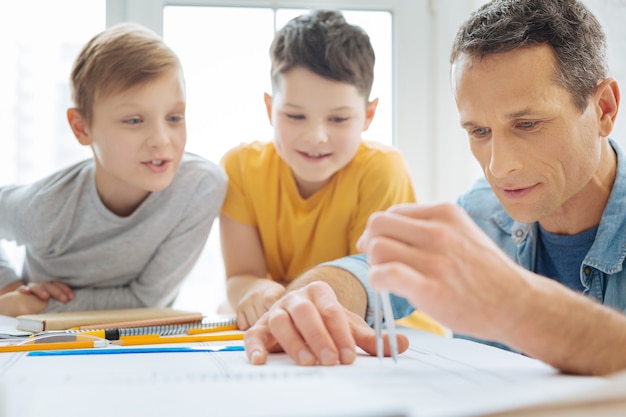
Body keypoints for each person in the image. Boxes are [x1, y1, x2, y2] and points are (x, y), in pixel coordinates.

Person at [243, 0, 626, 376]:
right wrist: (316, 296)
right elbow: (366, 272)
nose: (498, 166)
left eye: (527, 124)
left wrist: (517, 303)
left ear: (604, 109)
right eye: (479, 131)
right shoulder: (481, 213)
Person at [219, 10, 440, 332]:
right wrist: (255, 290)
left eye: (338, 119)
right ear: (270, 109)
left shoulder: (381, 170)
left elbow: (370, 282)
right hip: (298, 327)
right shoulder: (240, 167)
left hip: (396, 334)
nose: (316, 137)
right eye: (295, 116)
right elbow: (241, 276)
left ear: (368, 115)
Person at [0, 22, 226, 317]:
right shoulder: (47, 207)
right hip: (42, 338)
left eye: (174, 117)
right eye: (133, 120)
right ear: (82, 128)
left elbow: (147, 299)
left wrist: (37, 305)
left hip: (135, 340)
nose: (161, 140)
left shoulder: (200, 187)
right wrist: (9, 288)